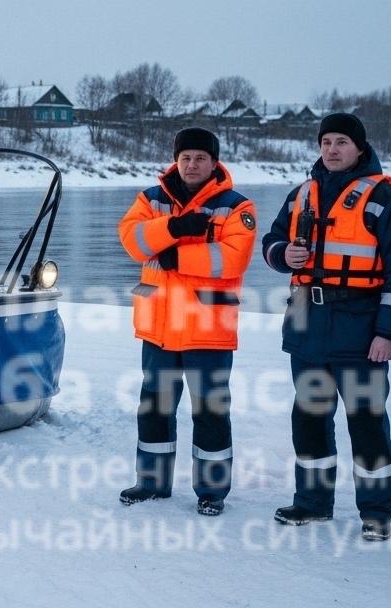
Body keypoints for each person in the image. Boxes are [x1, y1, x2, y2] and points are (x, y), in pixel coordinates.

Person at [260, 113, 391, 542]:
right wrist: (281, 255)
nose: (331, 149)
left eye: (341, 142)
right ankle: (312, 503)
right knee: (309, 418)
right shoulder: (301, 194)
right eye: (326, 141)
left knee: (366, 421)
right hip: (307, 325)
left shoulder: (387, 199)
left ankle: (378, 511)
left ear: (360, 148)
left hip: (361, 330)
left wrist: (388, 333)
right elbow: (271, 240)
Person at [117, 127, 257, 515]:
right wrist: (175, 228)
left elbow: (233, 258)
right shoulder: (151, 199)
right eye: (186, 158)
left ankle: (212, 492)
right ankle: (151, 483)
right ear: (175, 161)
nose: (192, 164)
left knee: (210, 411)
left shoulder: (237, 206)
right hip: (158, 328)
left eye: (200, 158)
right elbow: (132, 241)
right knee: (154, 406)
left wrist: (177, 257)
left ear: (215, 163)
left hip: (207, 329)